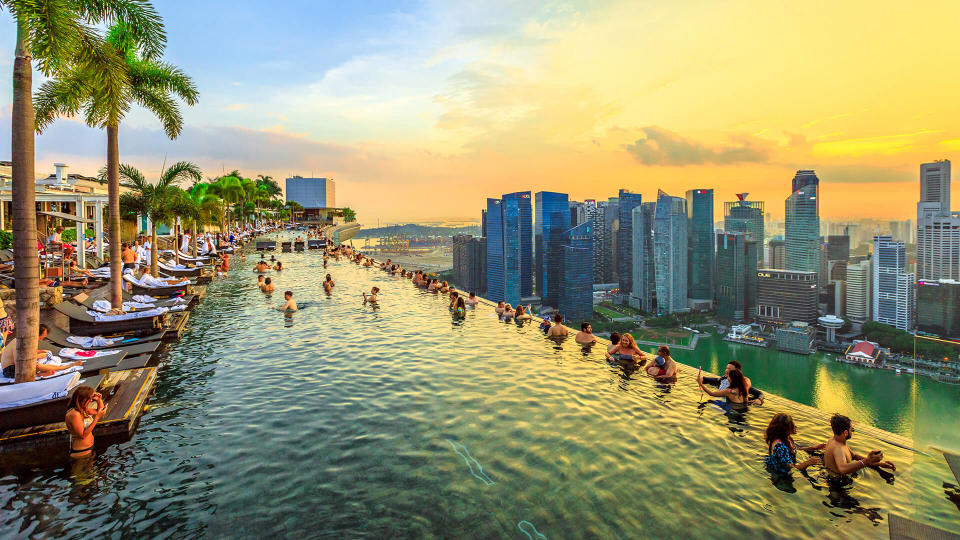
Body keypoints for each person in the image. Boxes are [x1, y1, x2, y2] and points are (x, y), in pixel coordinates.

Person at [823, 414, 895, 476]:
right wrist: (867, 461)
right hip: (837, 486)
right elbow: (842, 468)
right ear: (845, 433)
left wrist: (879, 463)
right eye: (851, 429)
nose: (852, 431)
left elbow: (854, 456)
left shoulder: (835, 441)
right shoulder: (838, 448)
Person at [1, 324, 82, 379]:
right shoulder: (20, 342)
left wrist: (41, 351)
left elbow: (28, 353)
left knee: (39, 361)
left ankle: (40, 374)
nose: (41, 340)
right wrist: (38, 356)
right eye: (42, 337)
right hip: (9, 370)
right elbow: (20, 362)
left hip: (16, 366)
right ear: (37, 334)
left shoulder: (25, 340)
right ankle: (66, 367)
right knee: (37, 365)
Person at [65, 385, 106, 458]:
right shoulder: (74, 414)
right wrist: (96, 418)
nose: (91, 400)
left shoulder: (83, 410)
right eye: (89, 398)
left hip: (89, 448)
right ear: (83, 399)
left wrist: (98, 400)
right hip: (81, 452)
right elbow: (82, 435)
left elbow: (100, 411)